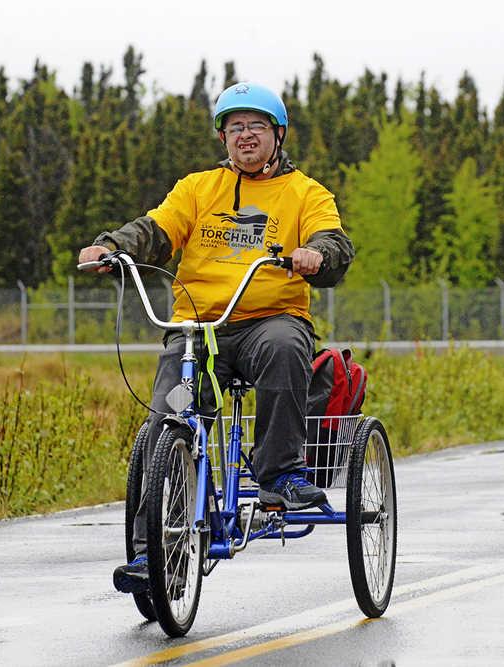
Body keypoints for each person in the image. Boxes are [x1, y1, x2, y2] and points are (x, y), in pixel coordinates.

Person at [78, 82, 354, 593]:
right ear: (222, 138)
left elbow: (331, 238)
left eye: (255, 127)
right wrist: (112, 247)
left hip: (269, 319)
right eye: (234, 128)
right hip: (198, 328)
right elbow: (157, 230)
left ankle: (279, 477)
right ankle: (151, 556)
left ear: (278, 135)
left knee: (284, 347)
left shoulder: (306, 194)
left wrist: (317, 253)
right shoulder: (198, 189)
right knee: (165, 423)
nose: (244, 136)